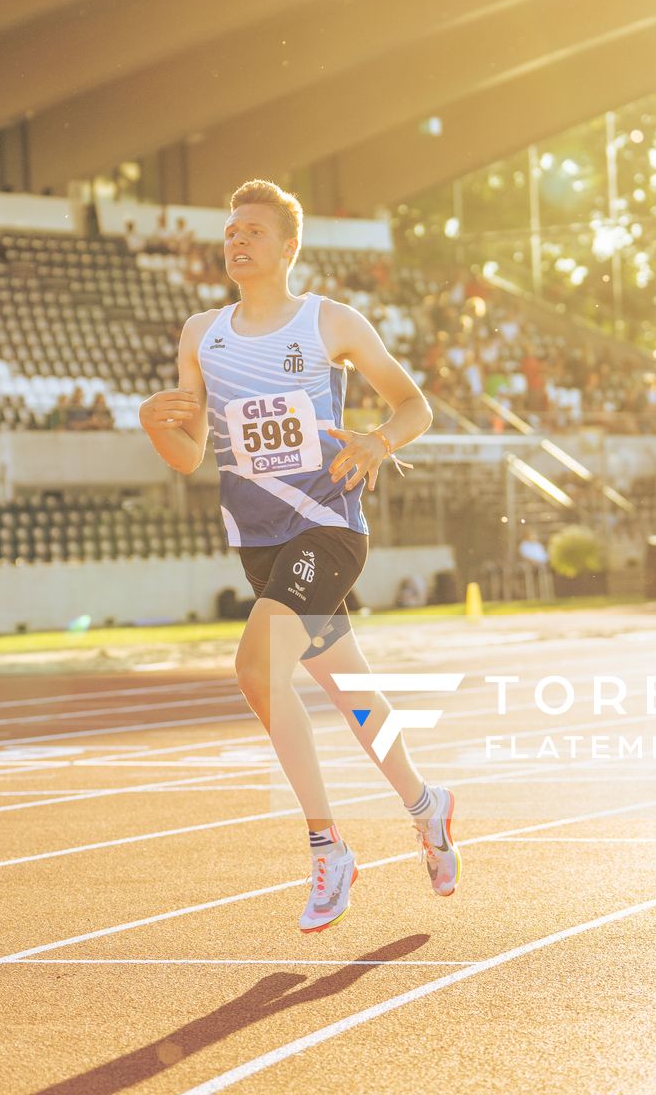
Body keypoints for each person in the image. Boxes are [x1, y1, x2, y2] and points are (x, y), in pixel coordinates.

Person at [138, 179, 451, 934]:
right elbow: (187, 457)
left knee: (255, 670)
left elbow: (416, 406)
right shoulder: (200, 334)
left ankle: (327, 846)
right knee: (353, 696)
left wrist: (378, 441)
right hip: (259, 540)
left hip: (328, 528)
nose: (237, 240)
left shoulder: (328, 322)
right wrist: (153, 422)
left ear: (288, 247)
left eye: (253, 230)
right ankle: (425, 804)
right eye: (230, 231)